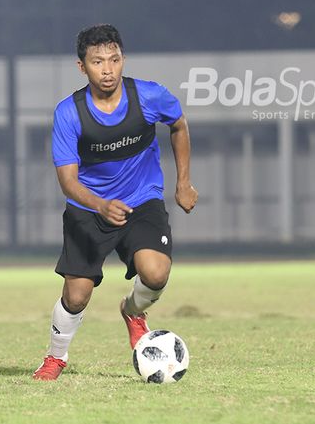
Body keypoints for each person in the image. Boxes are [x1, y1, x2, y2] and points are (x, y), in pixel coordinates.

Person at [33, 24, 198, 380]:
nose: (107, 70)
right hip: (88, 208)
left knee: (156, 273)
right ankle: (55, 357)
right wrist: (100, 205)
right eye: (97, 62)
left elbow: (179, 124)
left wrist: (183, 182)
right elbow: (68, 182)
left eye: (114, 59)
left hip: (142, 200)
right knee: (76, 297)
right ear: (82, 67)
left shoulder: (150, 97)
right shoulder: (69, 113)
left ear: (123, 59)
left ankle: (133, 311)